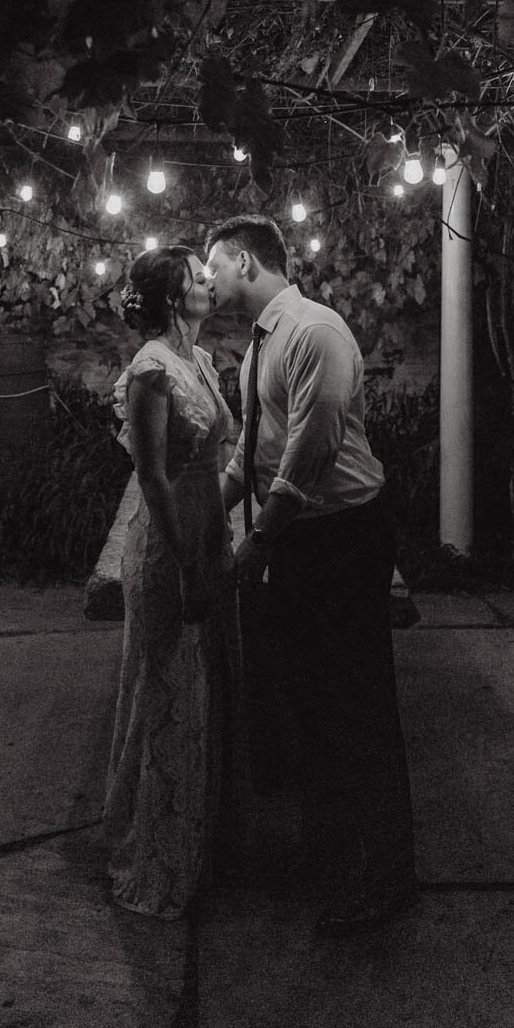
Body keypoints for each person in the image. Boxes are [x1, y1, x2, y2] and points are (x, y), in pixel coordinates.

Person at [205, 214, 417, 937]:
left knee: (356, 703)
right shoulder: (260, 344)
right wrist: (207, 513)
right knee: (309, 702)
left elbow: (312, 449)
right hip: (303, 537)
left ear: (243, 259)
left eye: (213, 266)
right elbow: (251, 454)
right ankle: (328, 858)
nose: (207, 279)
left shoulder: (315, 331)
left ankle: (385, 876)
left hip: (343, 536)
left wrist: (258, 541)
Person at [103, 245, 235, 919]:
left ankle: (199, 843)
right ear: (166, 295)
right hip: (169, 545)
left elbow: (219, 450)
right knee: (168, 690)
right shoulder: (151, 371)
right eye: (193, 277)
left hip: (208, 530)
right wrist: (186, 563)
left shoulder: (199, 361)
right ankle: (158, 855)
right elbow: (152, 474)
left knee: (200, 688)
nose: (207, 281)